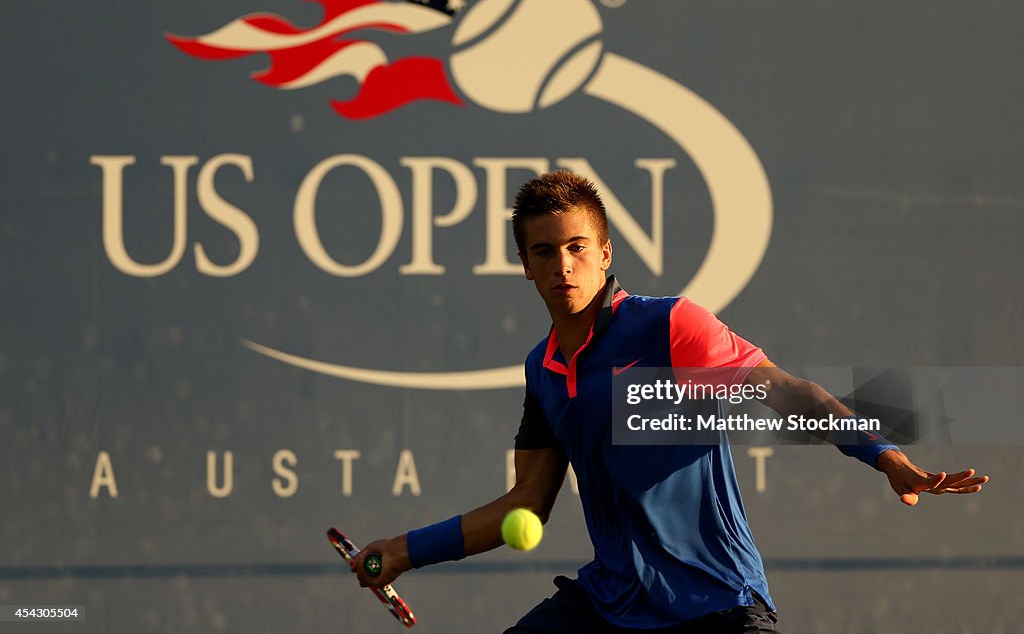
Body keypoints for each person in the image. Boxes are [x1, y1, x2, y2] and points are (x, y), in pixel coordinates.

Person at [353, 171, 989, 633]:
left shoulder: (670, 327)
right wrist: (404, 551)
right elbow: (525, 506)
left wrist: (882, 454)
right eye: (544, 252)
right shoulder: (542, 368)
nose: (563, 266)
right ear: (524, 264)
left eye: (578, 248)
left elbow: (785, 392)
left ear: (605, 253)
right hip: (610, 605)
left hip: (715, 605)